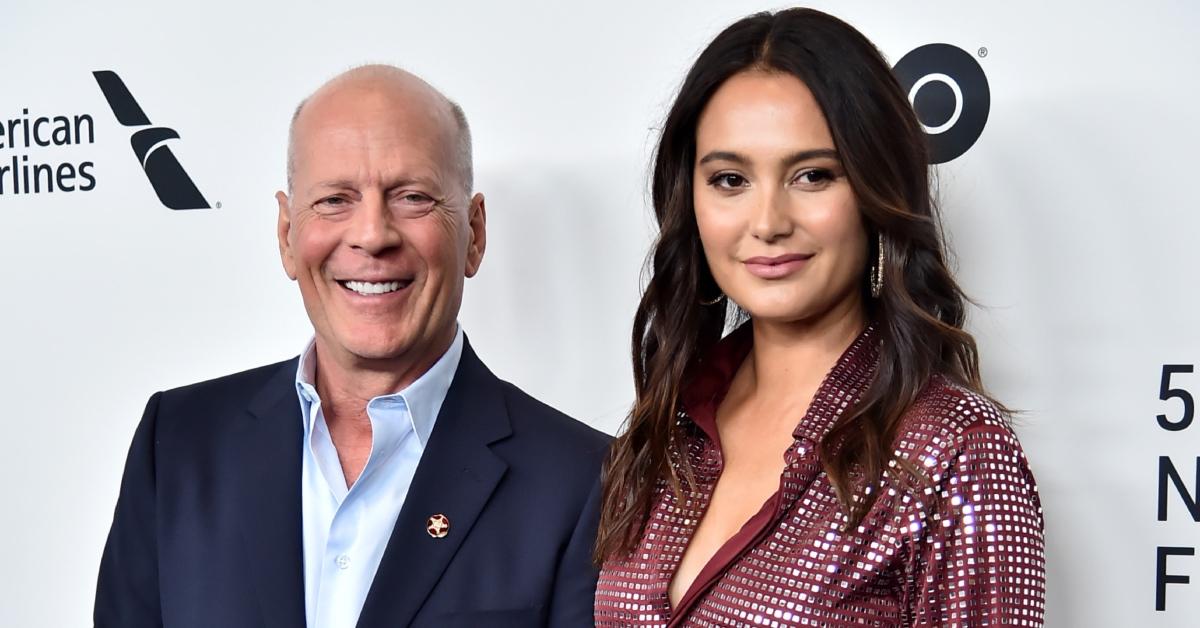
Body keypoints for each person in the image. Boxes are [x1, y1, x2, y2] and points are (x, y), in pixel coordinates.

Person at [95, 65, 609, 628]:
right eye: (335, 200)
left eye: (412, 197)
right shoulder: (178, 443)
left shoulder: (586, 480)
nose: (372, 235)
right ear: (288, 235)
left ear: (475, 234)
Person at [594, 9, 1045, 626]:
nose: (768, 221)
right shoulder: (666, 427)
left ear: (874, 189)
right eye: (730, 179)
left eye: (812, 175)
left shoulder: (955, 449)